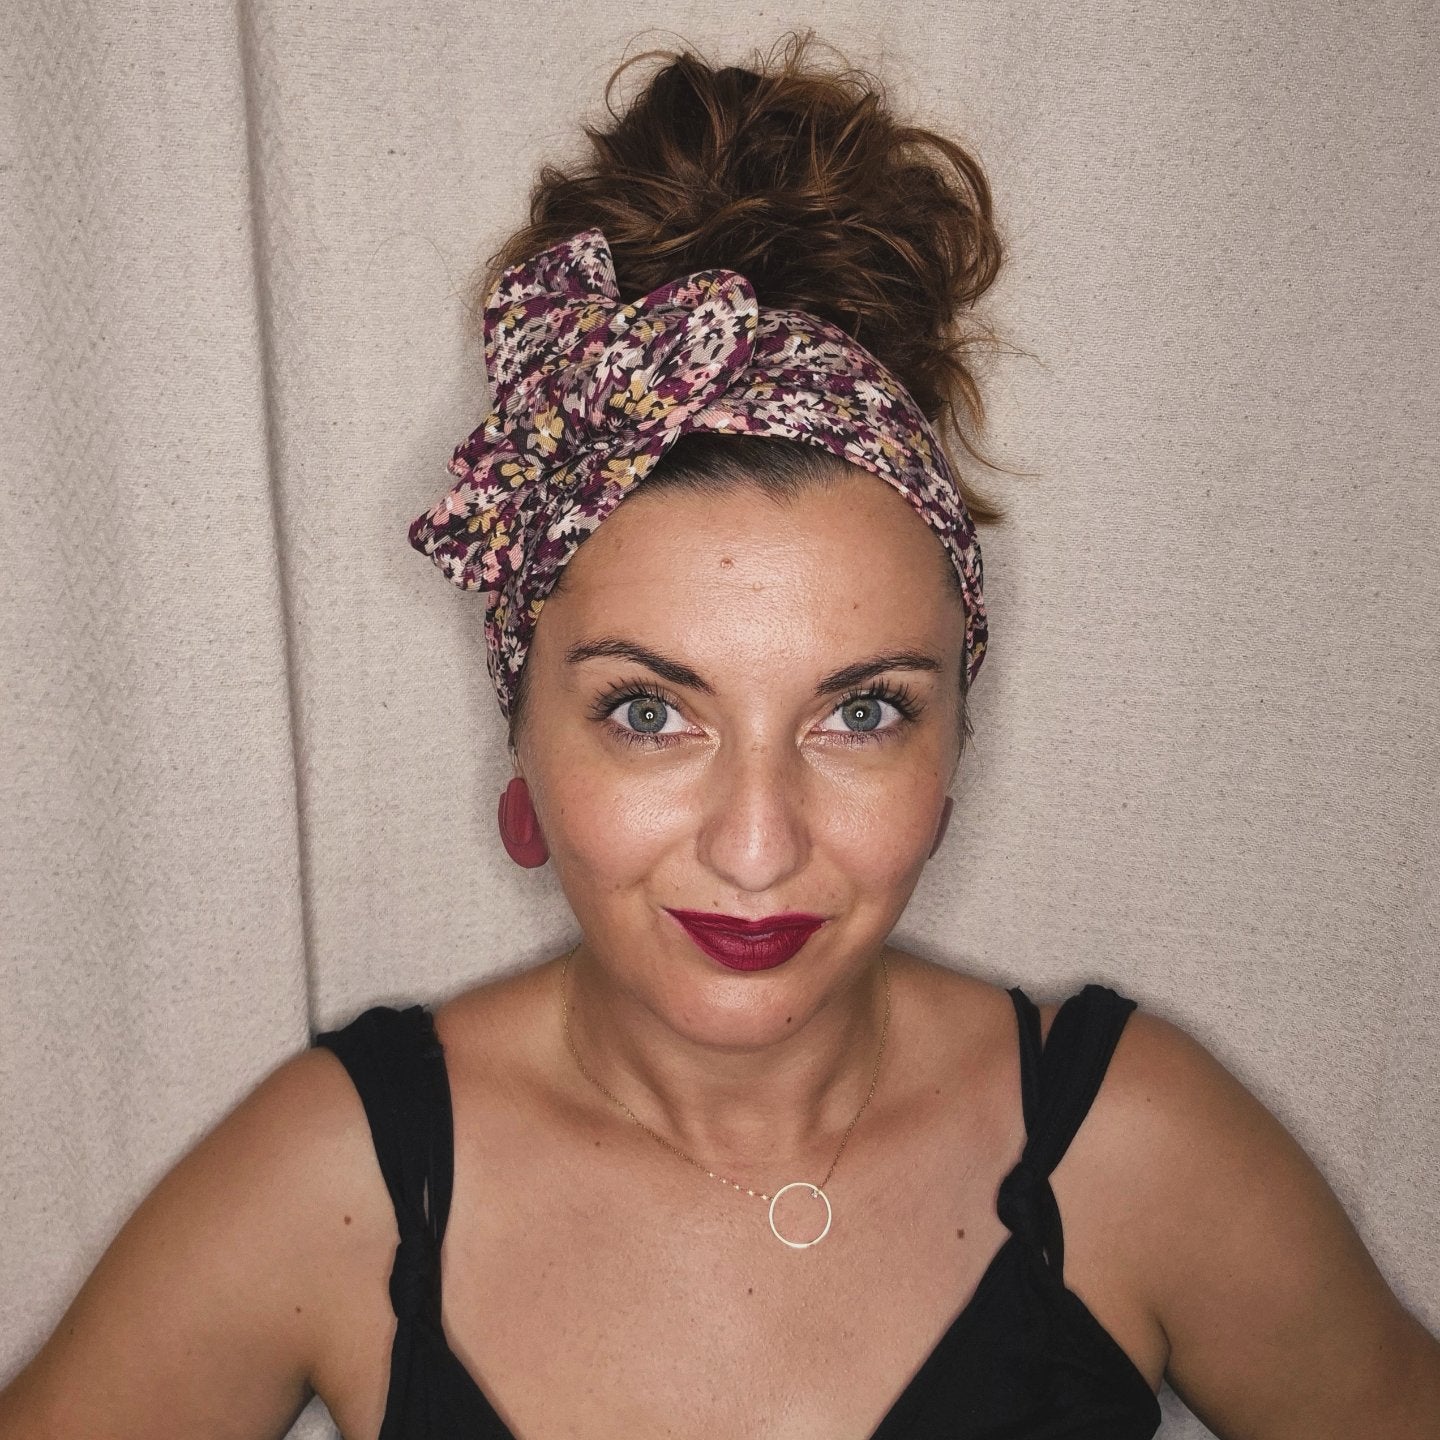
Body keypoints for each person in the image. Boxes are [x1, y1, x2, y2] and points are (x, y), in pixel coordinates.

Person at [2, 32, 1437, 1440]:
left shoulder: (1135, 1149)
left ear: (953, 750)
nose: (758, 847)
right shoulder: (345, 1186)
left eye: (861, 712)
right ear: (526, 745)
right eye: (650, 712)